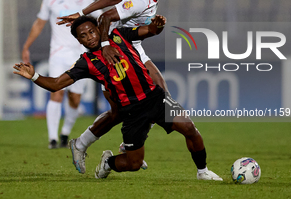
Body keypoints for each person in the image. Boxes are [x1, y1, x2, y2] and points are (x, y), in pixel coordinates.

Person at [13, 15, 223, 181]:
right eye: (83, 36)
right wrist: (34, 76)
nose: (90, 37)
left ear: (98, 29)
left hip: (154, 98)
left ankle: (203, 171)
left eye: (92, 31)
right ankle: (108, 162)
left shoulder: (118, 35)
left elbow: (149, 30)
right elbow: (56, 84)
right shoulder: (86, 63)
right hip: (132, 112)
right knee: (132, 164)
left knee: (190, 129)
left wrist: (157, 26)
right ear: (79, 41)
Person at [55, 0, 178, 166]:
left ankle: (128, 145)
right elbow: (108, 14)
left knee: (160, 94)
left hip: (133, 46)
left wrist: (83, 12)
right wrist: (105, 44)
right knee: (118, 112)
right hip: (116, 48)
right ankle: (81, 144)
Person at [21, 0, 102, 149]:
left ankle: (65, 133)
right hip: (58, 53)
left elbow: (101, 20)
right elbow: (39, 24)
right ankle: (52, 139)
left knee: (75, 98)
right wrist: (26, 46)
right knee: (56, 93)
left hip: (80, 55)